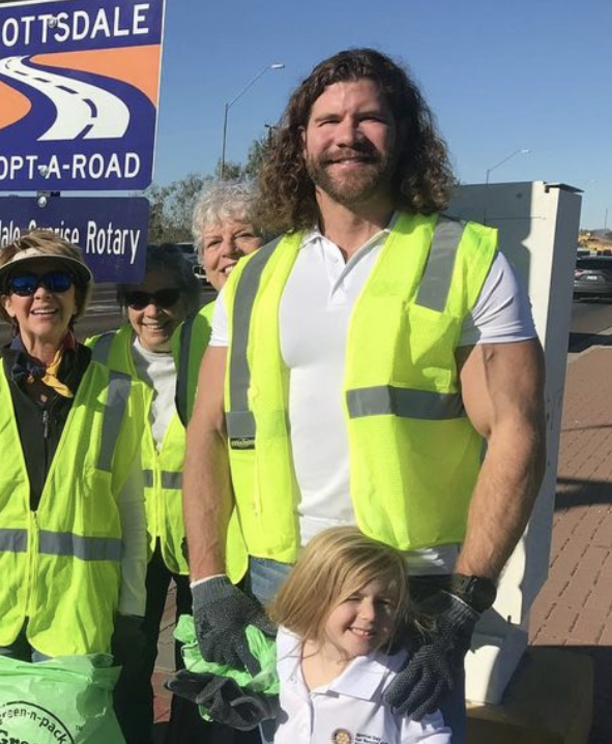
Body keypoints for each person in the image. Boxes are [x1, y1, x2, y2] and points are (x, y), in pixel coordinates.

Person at [183, 47, 546, 742]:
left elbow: (518, 429)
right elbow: (208, 428)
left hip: (413, 584)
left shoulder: (466, 256)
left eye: (369, 117)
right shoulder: (258, 274)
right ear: (301, 141)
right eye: (328, 120)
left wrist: (467, 605)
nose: (346, 133)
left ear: (403, 132)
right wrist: (207, 582)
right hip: (281, 578)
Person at [0, 231, 149, 738]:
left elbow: (132, 511)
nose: (41, 294)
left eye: (58, 280)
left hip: (76, 619)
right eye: (23, 283)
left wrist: (133, 610)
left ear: (78, 298)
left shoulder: (119, 396)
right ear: (6, 303)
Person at [86, 243, 249, 743]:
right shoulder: (98, 356)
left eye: (165, 296)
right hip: (131, 541)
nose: (151, 311)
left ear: (189, 298)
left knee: (200, 663)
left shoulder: (214, 354)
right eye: (137, 298)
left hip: (202, 534)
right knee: (129, 659)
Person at [269, 527, 450, 743]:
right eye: (353, 598)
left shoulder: (402, 675)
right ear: (313, 596)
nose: (370, 614)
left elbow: (431, 735)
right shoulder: (288, 643)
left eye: (385, 602)